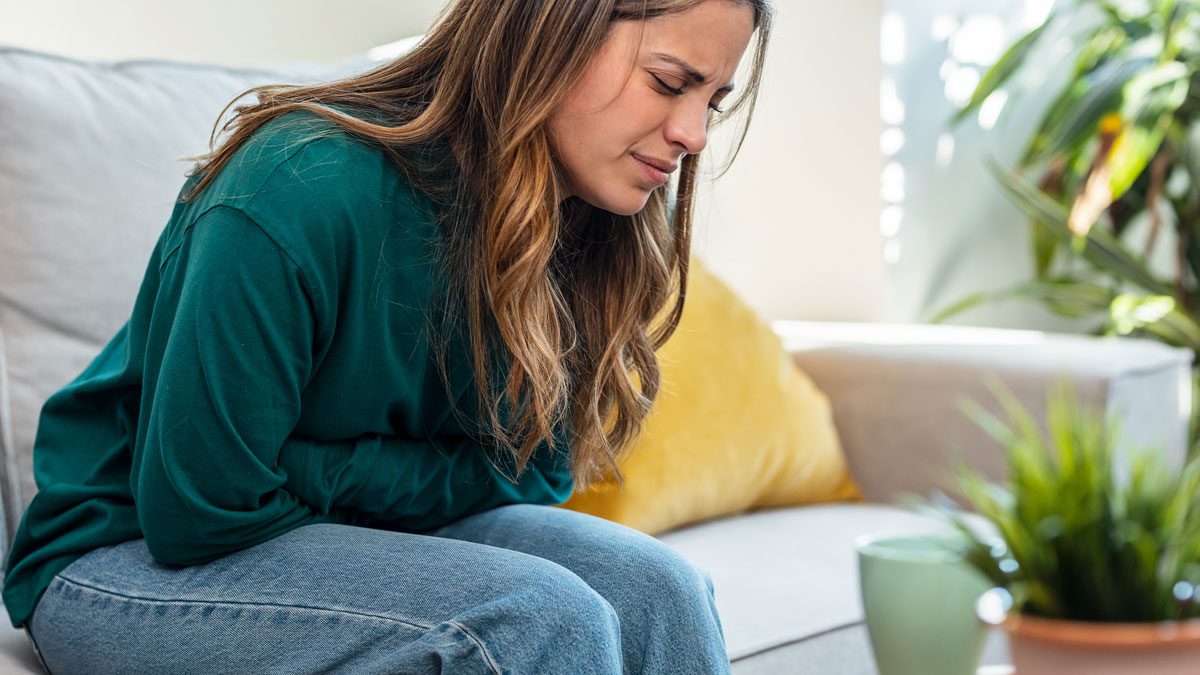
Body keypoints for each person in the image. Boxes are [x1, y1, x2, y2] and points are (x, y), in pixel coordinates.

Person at [2, 0, 772, 672]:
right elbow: (200, 509)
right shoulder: (299, 186)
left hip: (343, 529)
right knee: (534, 614)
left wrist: (309, 466)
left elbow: (540, 471)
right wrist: (399, 478)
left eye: (713, 99)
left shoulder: (598, 213)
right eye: (671, 83)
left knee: (659, 589)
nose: (693, 134)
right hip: (123, 561)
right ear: (549, 31)